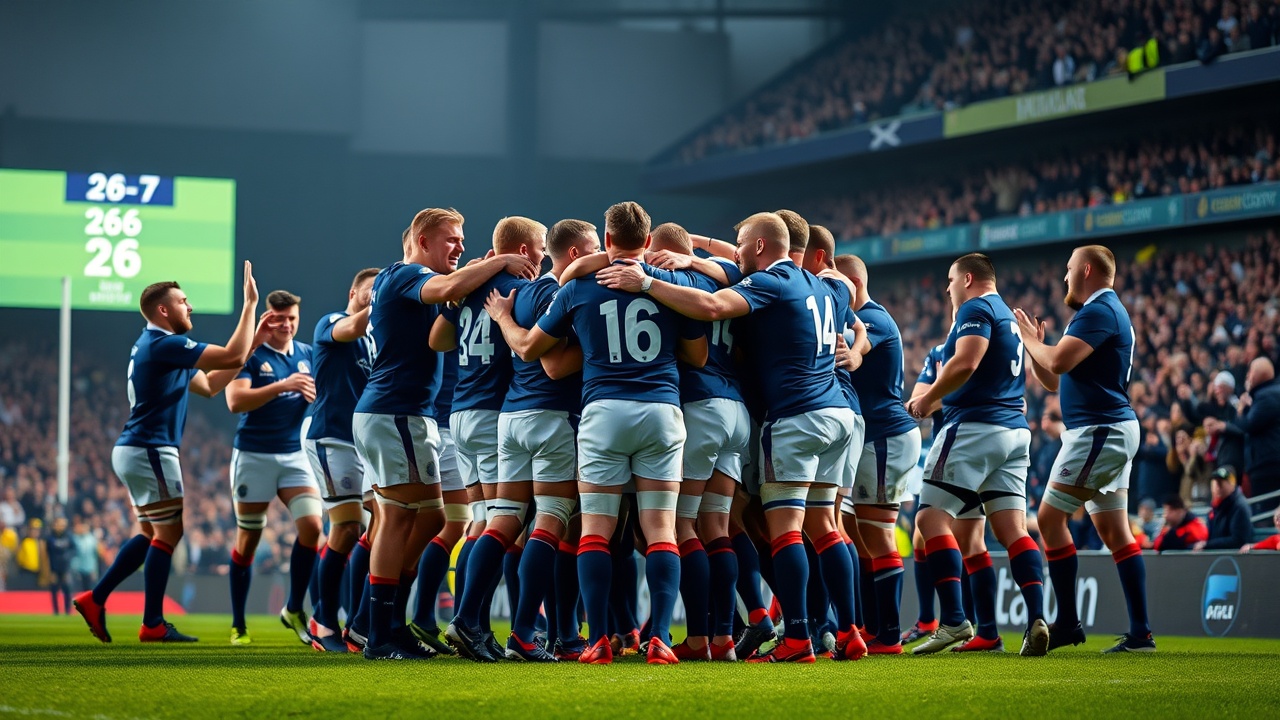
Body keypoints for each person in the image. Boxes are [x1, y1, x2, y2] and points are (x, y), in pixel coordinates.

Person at [596, 211, 859, 663]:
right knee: (815, 525)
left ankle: (774, 635)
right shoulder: (826, 286)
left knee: (720, 527)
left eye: (741, 243)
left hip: (767, 414)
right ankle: (846, 629)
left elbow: (714, 306)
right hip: (828, 413)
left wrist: (648, 281)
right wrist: (858, 347)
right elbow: (851, 300)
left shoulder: (765, 282)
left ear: (759, 246)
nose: (734, 251)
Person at [490, 201, 707, 665]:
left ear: (607, 240)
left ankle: (599, 640)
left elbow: (533, 350)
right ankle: (660, 638)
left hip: (602, 412)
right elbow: (698, 356)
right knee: (660, 528)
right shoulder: (675, 284)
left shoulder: (577, 287)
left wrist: (507, 318)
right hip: (661, 410)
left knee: (595, 530)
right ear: (647, 240)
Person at [352, 207, 537, 661]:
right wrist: (500, 262)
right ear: (422, 240)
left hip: (404, 413)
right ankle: (377, 632)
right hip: (394, 410)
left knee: (433, 519)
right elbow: (449, 288)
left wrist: (471, 276)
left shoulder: (410, 280)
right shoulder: (405, 274)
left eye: (461, 239)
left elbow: (442, 322)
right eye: (451, 238)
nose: (460, 246)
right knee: (396, 518)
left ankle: (389, 623)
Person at [74, 264, 266, 643]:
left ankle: (95, 599)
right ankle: (152, 624)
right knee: (169, 531)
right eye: (183, 301)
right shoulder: (165, 345)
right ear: (163, 310)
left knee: (150, 532)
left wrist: (251, 347)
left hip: (135, 448)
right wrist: (249, 306)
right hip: (150, 448)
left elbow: (210, 385)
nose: (190, 307)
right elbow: (230, 355)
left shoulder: (159, 348)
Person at [904, 253, 1048, 657]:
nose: (948, 288)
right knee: (1011, 530)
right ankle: (1036, 618)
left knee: (929, 520)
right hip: (1013, 433)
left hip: (973, 429)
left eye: (951, 280)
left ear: (968, 279)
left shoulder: (976, 308)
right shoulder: (1009, 318)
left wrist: (928, 398)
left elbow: (966, 361)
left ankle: (952, 620)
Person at [1015, 245, 1154, 654]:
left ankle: (1068, 622)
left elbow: (1058, 362)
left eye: (1069, 268)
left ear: (1087, 270)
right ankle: (1141, 633)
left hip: (1099, 430)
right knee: (1115, 531)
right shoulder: (1103, 312)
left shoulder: (1099, 310)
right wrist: (1036, 350)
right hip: (1108, 429)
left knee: (1048, 518)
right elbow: (1054, 379)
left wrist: (1031, 342)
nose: (1065, 276)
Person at [484, 218, 599, 661]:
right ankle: (527, 633)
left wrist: (502, 319)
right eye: (593, 249)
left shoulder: (526, 291)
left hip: (513, 415)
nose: (597, 256)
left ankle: (476, 621)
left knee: (507, 522)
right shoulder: (559, 293)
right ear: (575, 253)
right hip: (553, 417)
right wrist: (604, 348)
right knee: (554, 522)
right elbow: (552, 365)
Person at [436, 216, 545, 662]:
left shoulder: (469, 287)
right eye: (540, 246)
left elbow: (438, 340)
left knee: (481, 522)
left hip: (461, 411)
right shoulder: (517, 290)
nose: (544, 255)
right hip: (490, 413)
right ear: (523, 250)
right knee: (505, 522)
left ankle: (474, 627)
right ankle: (470, 623)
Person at [218, 290, 323, 646]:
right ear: (268, 318)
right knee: (248, 541)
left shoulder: (308, 354)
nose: (287, 325)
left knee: (312, 527)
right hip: (254, 455)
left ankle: (294, 608)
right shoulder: (251, 354)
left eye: (292, 318)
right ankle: (238, 624)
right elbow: (235, 401)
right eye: (280, 319)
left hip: (294, 455)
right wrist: (283, 386)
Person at [835, 253, 921, 655]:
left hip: (886, 435)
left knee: (878, 534)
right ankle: (872, 627)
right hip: (873, 437)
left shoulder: (873, 319)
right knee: (857, 532)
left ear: (853, 283)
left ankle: (888, 634)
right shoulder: (865, 318)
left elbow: (859, 348)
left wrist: (851, 350)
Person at [303, 268, 378, 652]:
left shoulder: (374, 341)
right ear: (353, 292)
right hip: (331, 436)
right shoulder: (332, 322)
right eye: (371, 290)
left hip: (363, 442)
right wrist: (383, 300)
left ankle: (357, 622)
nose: (376, 296)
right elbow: (351, 328)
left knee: (373, 528)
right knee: (347, 528)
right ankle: (323, 619)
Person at [1233, 357, 1280, 518]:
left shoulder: (1266, 396)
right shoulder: (1269, 393)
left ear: (1258, 374)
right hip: (1269, 462)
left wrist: (1241, 409)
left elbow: (1248, 425)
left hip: (1267, 465)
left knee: (1265, 516)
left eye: (1250, 371)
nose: (1247, 375)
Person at [1194, 466, 1254, 551]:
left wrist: (1208, 545)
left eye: (1221, 483)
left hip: (1232, 557)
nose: (1217, 487)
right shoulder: (1217, 506)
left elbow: (1238, 540)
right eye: (1215, 483)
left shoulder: (1239, 507)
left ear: (1232, 484)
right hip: (1218, 556)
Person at [40, 517, 76, 614]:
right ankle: (56, 611)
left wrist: (68, 557)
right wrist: (48, 570)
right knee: (54, 590)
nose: (60, 527)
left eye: (62, 525)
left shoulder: (69, 536)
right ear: (54, 525)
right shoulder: (50, 537)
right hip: (54, 568)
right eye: (59, 524)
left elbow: (74, 550)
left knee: (67, 589)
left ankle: (68, 611)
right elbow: (46, 554)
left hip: (66, 568)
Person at [70, 519, 100, 591]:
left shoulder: (92, 540)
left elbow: (95, 556)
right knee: (78, 589)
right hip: (78, 568)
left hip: (89, 568)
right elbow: (73, 555)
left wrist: (95, 570)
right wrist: (74, 567)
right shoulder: (75, 539)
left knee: (89, 588)